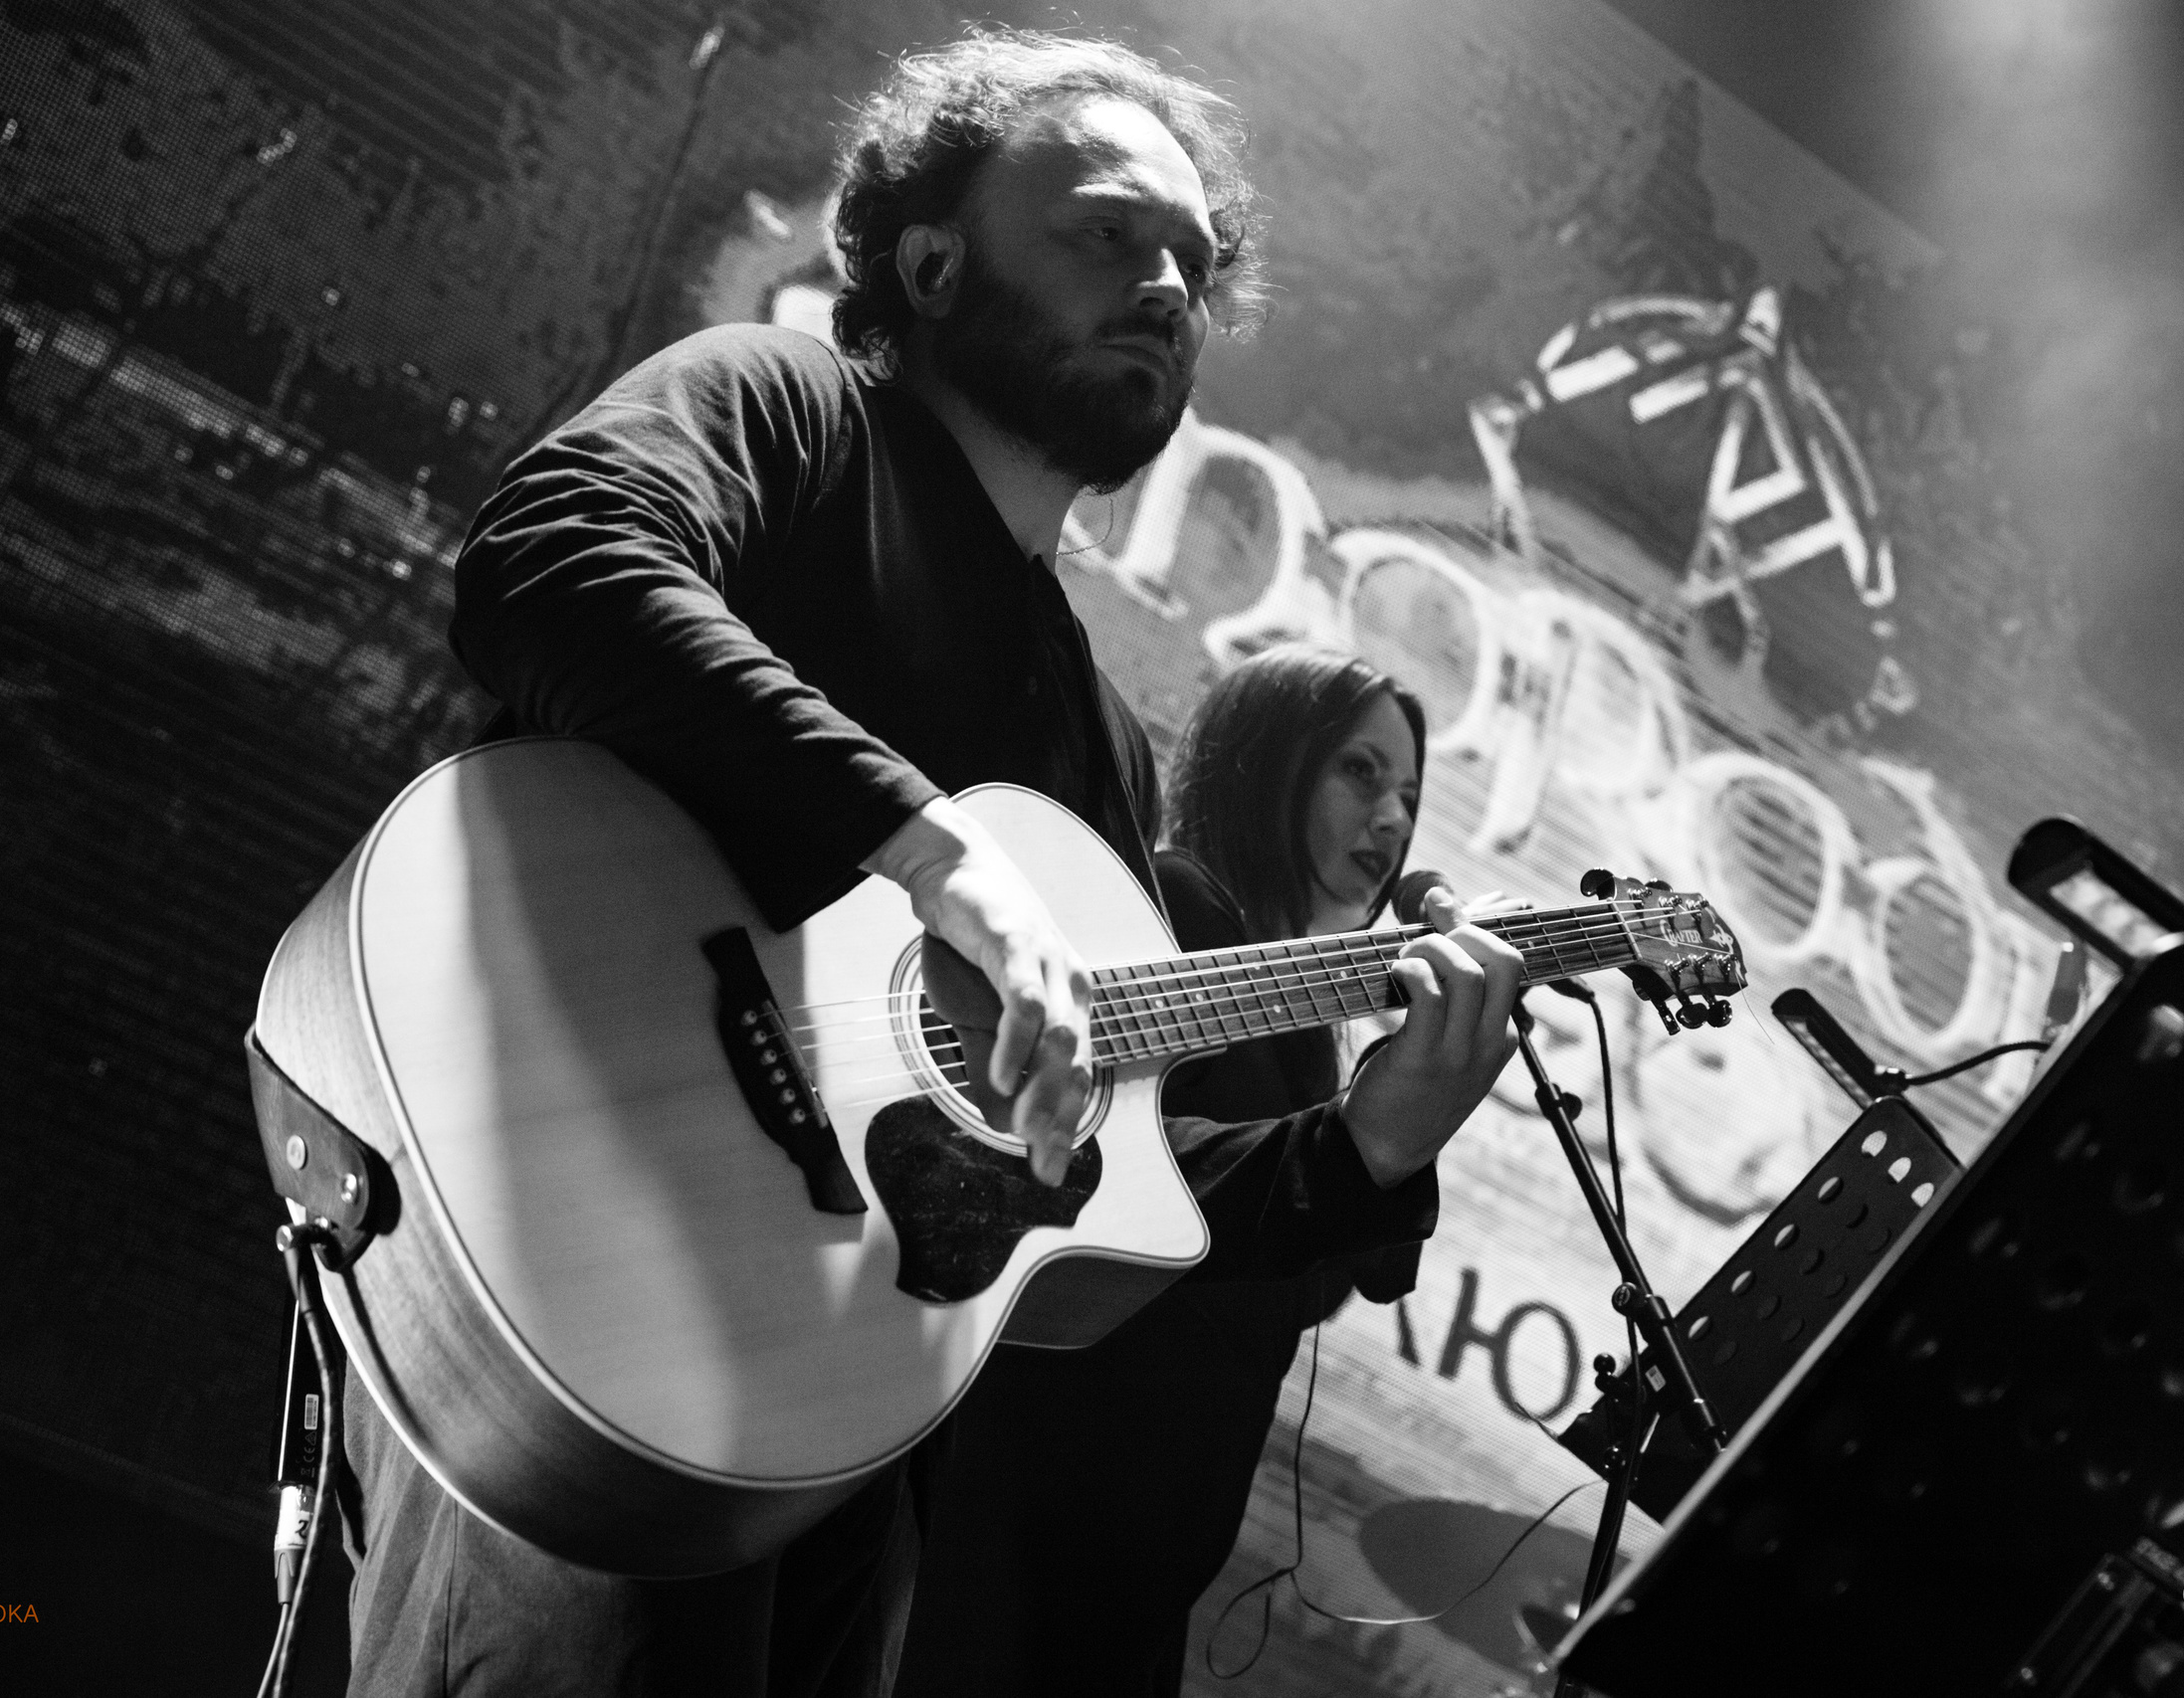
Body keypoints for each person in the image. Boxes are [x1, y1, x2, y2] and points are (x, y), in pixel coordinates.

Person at [334, 29, 1525, 1698]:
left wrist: (1373, 1138)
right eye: (1111, 232)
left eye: (1193, 263)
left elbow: (1104, 1169)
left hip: (848, 1426)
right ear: (930, 254)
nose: (1168, 284)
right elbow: (551, 565)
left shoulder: (1102, 738)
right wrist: (928, 844)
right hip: (572, 1271)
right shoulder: (788, 409)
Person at [895, 644, 1434, 1697]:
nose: (1391, 821)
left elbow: (1315, 1272)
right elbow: (1142, 1185)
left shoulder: (1306, 1017)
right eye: (1359, 773)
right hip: (1033, 1505)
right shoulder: (1176, 914)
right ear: (1267, 759)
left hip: (1127, 1559)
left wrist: (1413, 1097)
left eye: (1409, 794)